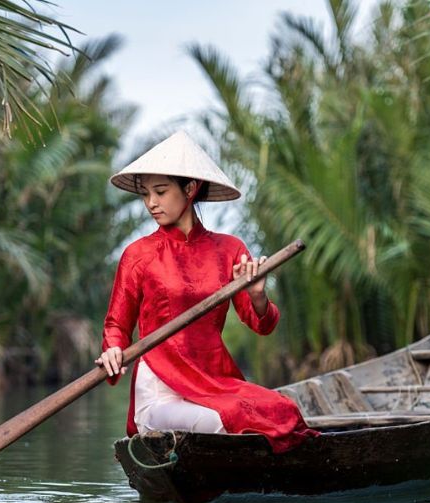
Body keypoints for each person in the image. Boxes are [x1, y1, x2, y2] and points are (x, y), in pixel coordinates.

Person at [96, 132, 318, 453]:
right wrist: (113, 350)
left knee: (283, 410)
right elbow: (117, 325)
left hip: (213, 383)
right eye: (145, 193)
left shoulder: (229, 249)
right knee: (223, 419)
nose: (150, 203)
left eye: (160, 191)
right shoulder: (138, 254)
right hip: (159, 390)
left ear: (190, 189)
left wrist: (257, 295)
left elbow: (263, 325)